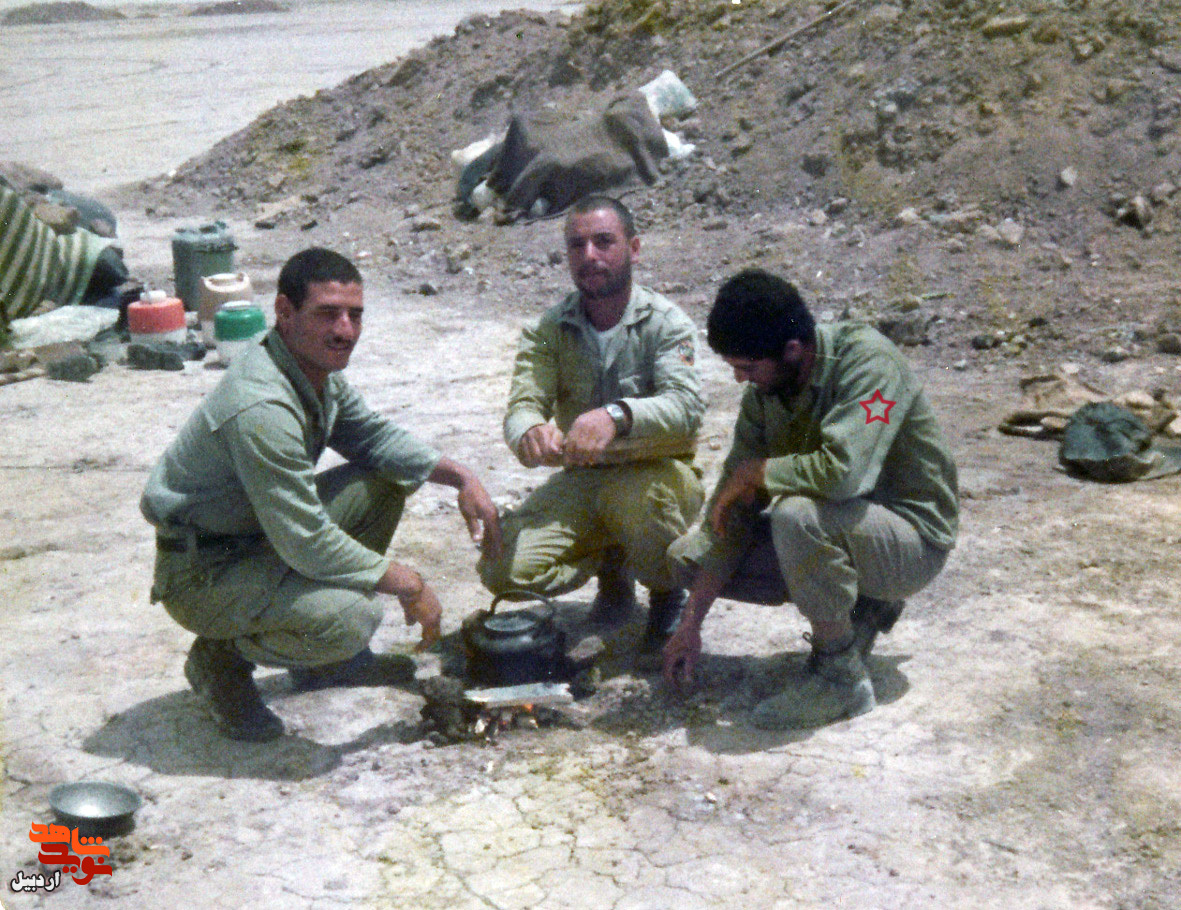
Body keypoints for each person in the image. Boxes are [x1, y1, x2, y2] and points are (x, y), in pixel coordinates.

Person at [141, 248, 502, 742]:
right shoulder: (262, 405)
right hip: (205, 571)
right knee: (352, 618)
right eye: (328, 314)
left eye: (355, 315)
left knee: (382, 483)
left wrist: (461, 476)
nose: (345, 331)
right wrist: (410, 584)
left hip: (256, 538)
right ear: (285, 313)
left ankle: (326, 665)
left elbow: (372, 437)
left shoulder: (309, 370)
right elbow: (305, 539)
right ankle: (219, 659)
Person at [662, 268, 958, 729]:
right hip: (847, 532)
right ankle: (863, 609)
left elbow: (843, 474)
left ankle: (840, 677)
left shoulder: (868, 362)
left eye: (748, 367)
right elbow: (732, 510)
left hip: (912, 543)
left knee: (797, 514)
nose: (739, 380)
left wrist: (763, 471)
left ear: (793, 350)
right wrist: (691, 623)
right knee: (688, 559)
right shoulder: (765, 394)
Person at [478, 195, 705, 653]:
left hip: (658, 476)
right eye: (576, 245)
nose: (589, 256)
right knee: (503, 569)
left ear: (633, 248)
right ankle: (612, 566)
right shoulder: (549, 329)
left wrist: (617, 416)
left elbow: (686, 407)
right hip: (585, 477)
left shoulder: (665, 323)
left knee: (637, 502)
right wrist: (529, 433)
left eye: (604, 242)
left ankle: (667, 593)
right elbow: (522, 404)